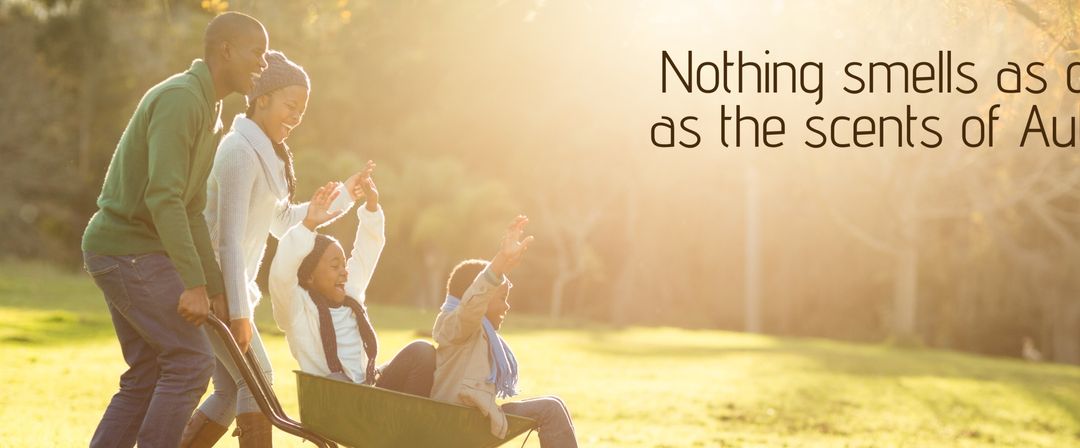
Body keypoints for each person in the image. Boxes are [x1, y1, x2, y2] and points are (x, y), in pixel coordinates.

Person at [80, 12, 268, 448]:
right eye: (255, 52)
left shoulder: (210, 109)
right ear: (226, 50)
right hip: (125, 249)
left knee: (146, 373)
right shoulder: (182, 99)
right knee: (188, 361)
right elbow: (162, 198)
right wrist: (195, 284)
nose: (262, 62)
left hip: (132, 250)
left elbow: (193, 205)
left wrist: (216, 287)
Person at [180, 50, 368, 448]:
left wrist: (345, 196)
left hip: (230, 292)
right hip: (217, 291)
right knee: (258, 380)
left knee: (232, 391)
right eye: (291, 105)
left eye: (302, 110)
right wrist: (239, 313)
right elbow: (228, 241)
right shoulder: (238, 153)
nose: (296, 116)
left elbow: (282, 222)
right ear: (261, 98)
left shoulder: (265, 156)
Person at [269, 168, 436, 396]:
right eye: (335, 266)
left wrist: (371, 207)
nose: (344, 273)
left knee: (423, 352)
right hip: (335, 401)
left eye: (344, 266)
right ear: (309, 276)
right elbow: (281, 274)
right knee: (338, 380)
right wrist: (308, 225)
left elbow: (367, 252)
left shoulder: (350, 294)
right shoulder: (297, 308)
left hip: (367, 390)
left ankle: (407, 423)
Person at [432, 216, 578, 448]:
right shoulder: (457, 327)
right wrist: (499, 262)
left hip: (476, 415)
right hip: (457, 422)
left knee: (553, 403)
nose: (506, 307)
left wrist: (503, 268)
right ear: (481, 297)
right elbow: (472, 303)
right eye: (502, 298)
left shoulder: (480, 334)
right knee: (550, 409)